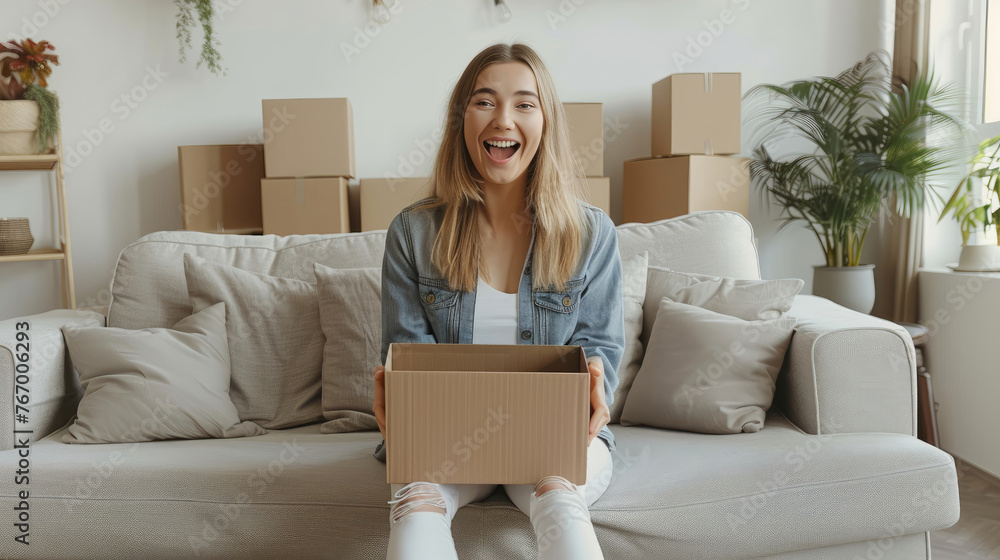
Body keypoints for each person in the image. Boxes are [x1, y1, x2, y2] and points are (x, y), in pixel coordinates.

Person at [371, 42, 625, 560]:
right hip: (443, 441)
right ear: (460, 118)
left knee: (558, 495)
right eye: (485, 101)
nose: (503, 119)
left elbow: (598, 346)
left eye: (524, 103)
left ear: (546, 121)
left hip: (549, 442)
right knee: (417, 499)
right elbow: (407, 354)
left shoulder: (590, 232)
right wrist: (397, 397)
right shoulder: (413, 232)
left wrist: (595, 380)